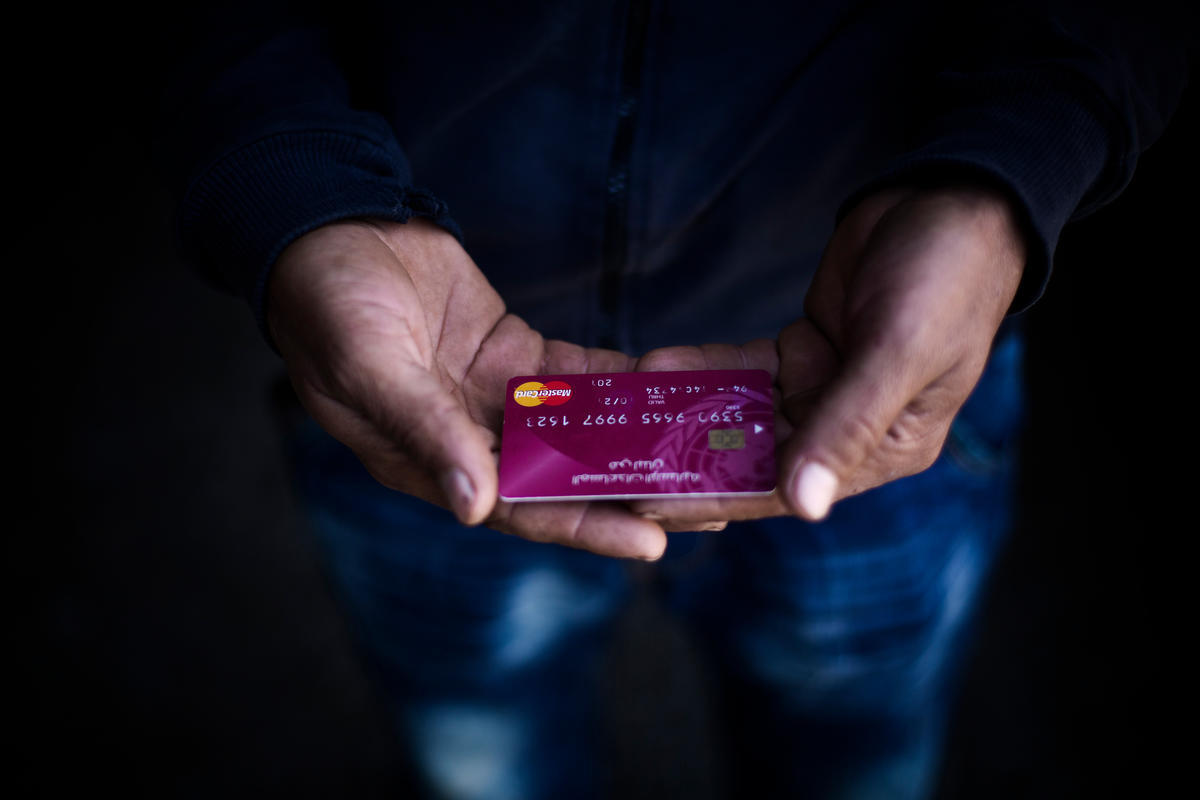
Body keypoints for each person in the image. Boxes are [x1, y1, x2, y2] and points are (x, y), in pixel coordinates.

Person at [157, 1, 1190, 796]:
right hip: (421, 384)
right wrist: (299, 192)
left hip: (872, 367)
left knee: (853, 763)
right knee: (485, 762)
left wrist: (999, 182)